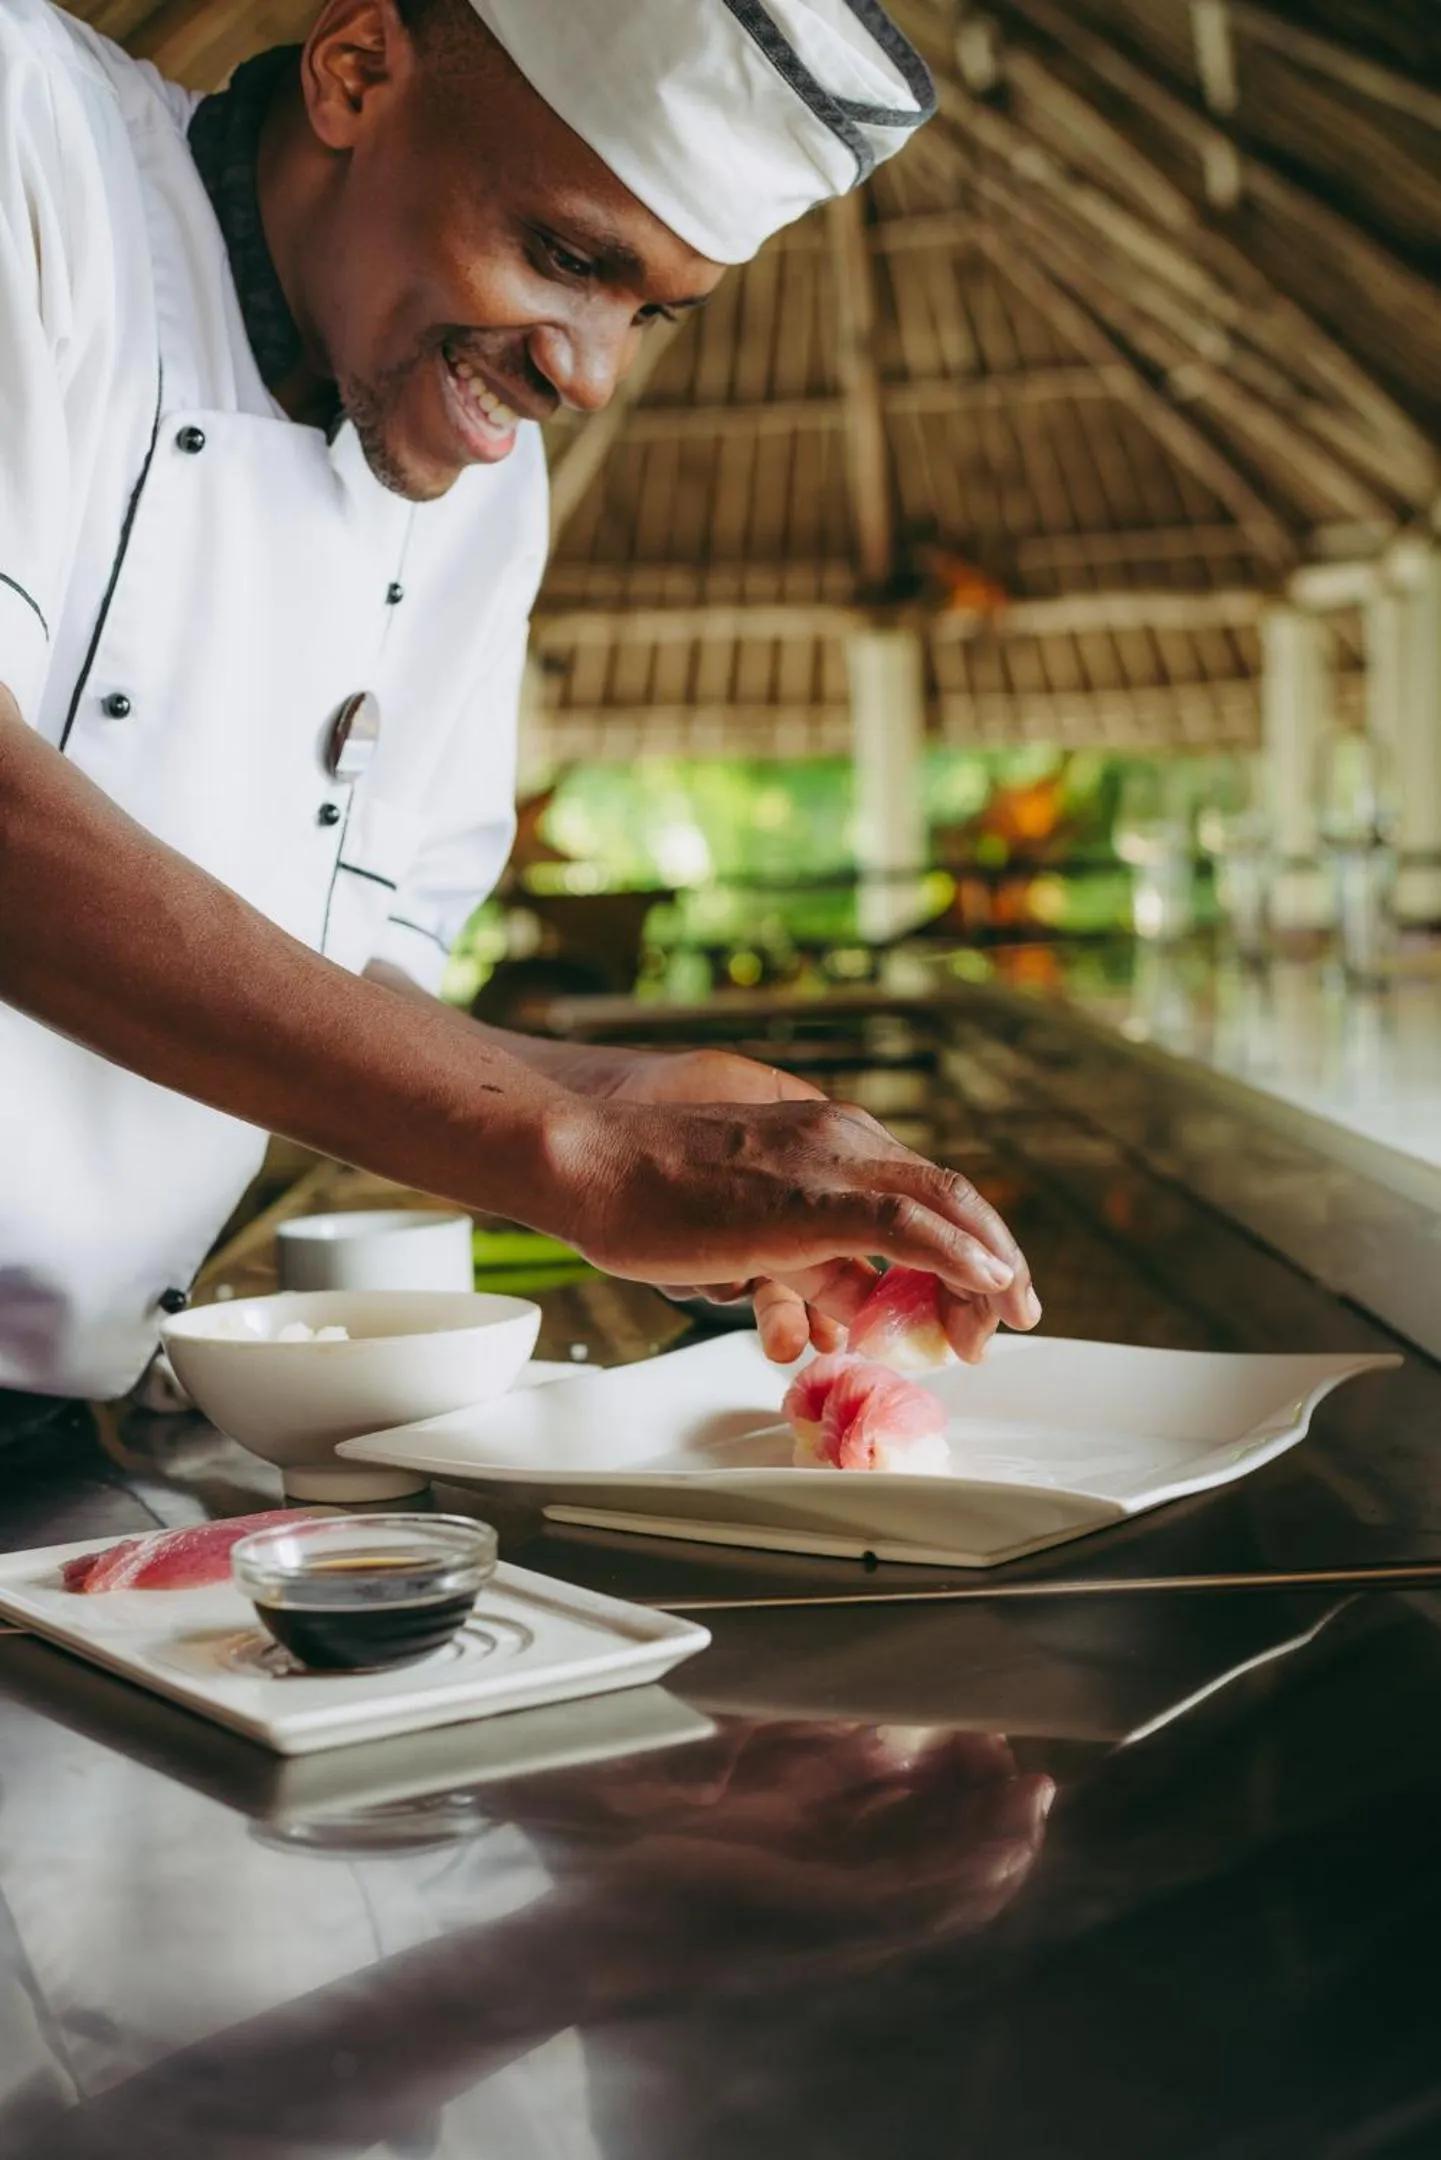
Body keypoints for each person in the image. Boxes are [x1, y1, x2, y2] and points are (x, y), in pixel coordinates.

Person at [0, 0, 1040, 1414]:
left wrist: (606, 1099)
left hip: (67, 1422)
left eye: (648, 310)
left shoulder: (480, 509)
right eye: (565, 256)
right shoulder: (31, 143)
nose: (591, 373)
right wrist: (566, 1154)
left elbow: (338, 973)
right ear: (358, 70)